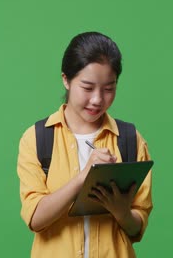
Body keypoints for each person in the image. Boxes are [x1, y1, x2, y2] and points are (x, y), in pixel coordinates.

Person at [17, 31, 153, 258]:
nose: (98, 99)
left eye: (109, 88)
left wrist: (122, 213)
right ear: (66, 80)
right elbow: (35, 218)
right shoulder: (37, 139)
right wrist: (84, 177)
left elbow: (137, 228)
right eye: (88, 88)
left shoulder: (130, 139)